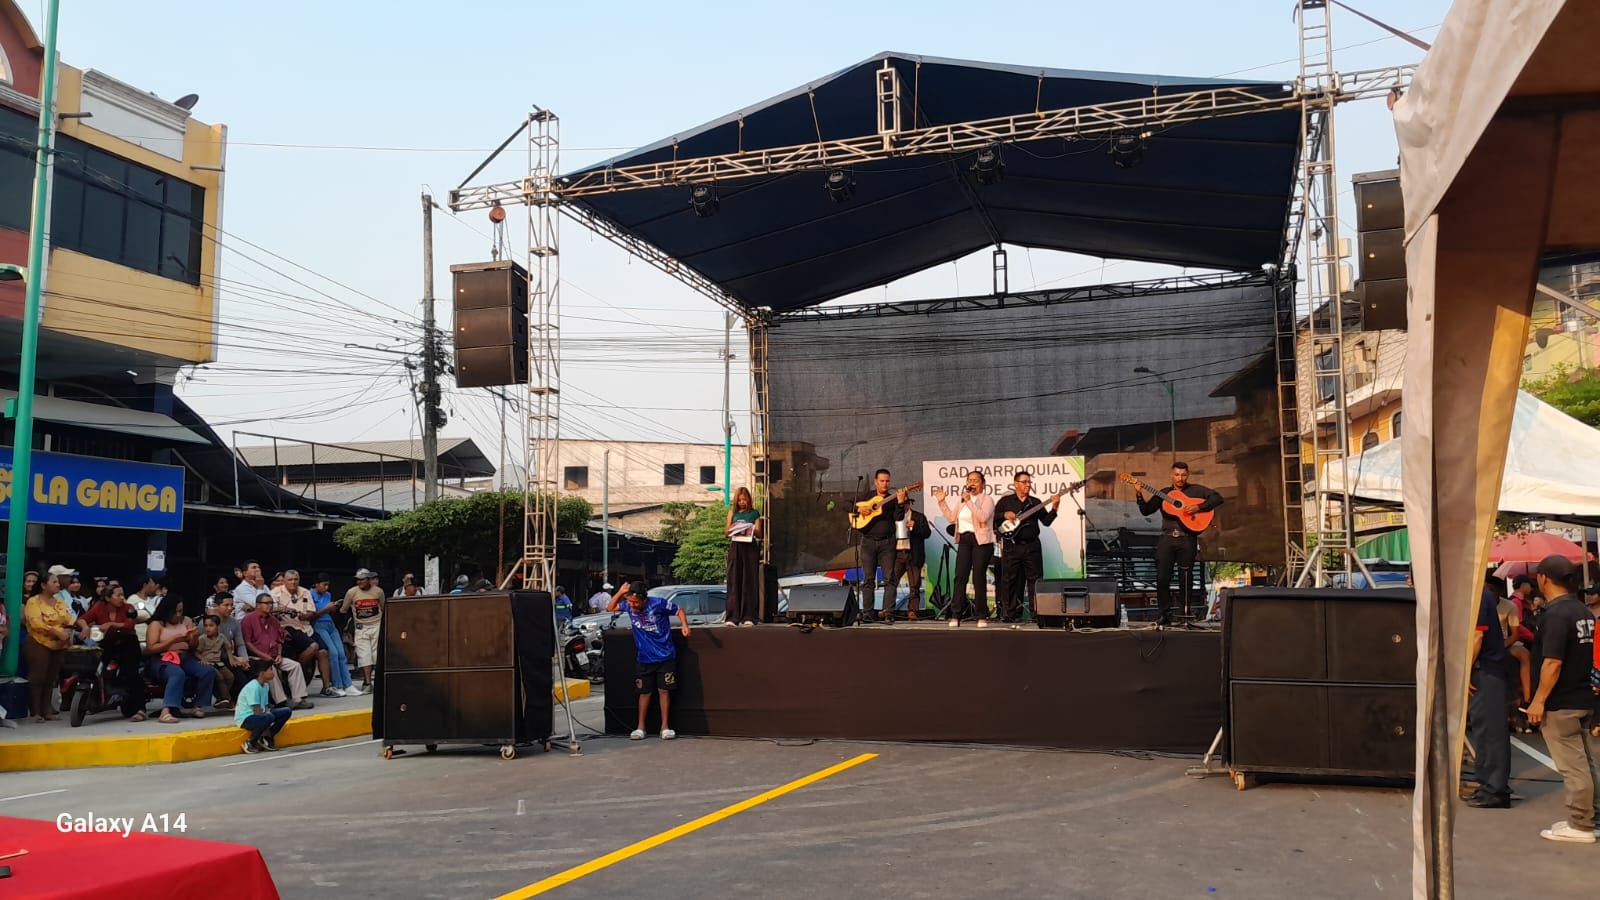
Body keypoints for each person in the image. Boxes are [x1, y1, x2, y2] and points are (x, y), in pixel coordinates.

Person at [1526, 554, 1599, 843]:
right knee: (1586, 763)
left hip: (1561, 701)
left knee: (1573, 766)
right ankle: (1592, 818)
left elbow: (1553, 662)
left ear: (1544, 578)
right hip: (1582, 696)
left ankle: (1580, 824)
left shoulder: (1556, 615)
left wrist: (1538, 700)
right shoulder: (1582, 611)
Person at [1134, 462, 1224, 626]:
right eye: (1177, 475)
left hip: (1187, 538)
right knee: (1162, 577)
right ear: (1172, 475)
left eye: (1183, 475)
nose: (1180, 478)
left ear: (1187, 475)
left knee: (1186, 577)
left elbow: (1218, 498)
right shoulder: (1164, 493)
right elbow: (1146, 511)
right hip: (1167, 539)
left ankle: (1185, 614)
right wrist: (1139, 494)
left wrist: (1199, 507)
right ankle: (1165, 614)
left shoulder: (1196, 491)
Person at [610, 581, 689, 741]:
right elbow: (611, 607)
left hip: (665, 655)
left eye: (635, 602)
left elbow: (679, 610)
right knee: (644, 692)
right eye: (630, 602)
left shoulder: (658, 604)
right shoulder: (628, 606)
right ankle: (641, 727)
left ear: (644, 599)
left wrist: (684, 626)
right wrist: (620, 592)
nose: (632, 605)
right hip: (644, 657)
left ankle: (665, 727)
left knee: (664, 691)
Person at [1465, 574, 1513, 808]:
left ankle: (1496, 789)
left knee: (1492, 733)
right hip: (1483, 670)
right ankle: (1486, 785)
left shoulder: (1476, 595)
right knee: (1482, 730)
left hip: (1486, 670)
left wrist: (1465, 671)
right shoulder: (1475, 594)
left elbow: (1477, 635)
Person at [994, 471, 1061, 627]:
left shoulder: (1035, 502)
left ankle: (1037, 613)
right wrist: (1004, 514)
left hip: (1032, 546)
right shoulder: (1005, 501)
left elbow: (1046, 522)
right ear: (1016, 484)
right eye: (1024, 482)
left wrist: (1055, 507)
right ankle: (1009, 613)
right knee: (1009, 580)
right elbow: (993, 519)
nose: (1028, 485)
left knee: (1035, 580)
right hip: (1012, 546)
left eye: (1029, 482)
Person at [78, 582, 149, 720]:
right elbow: (82, 619)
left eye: (123, 595)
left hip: (128, 643)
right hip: (108, 644)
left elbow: (129, 625)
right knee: (96, 669)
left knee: (131, 674)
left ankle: (141, 708)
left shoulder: (128, 607)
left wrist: (112, 624)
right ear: (108, 598)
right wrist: (85, 627)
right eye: (118, 595)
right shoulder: (99, 606)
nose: (122, 598)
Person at [934, 471, 995, 629]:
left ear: (983, 484)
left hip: (981, 541)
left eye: (975, 480)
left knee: (978, 577)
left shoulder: (987, 499)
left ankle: (981, 615)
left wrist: (969, 502)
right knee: (960, 576)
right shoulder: (962, 500)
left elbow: (982, 517)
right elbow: (951, 518)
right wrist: (942, 502)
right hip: (964, 540)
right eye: (969, 480)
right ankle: (956, 614)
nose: (972, 483)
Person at [144, 594, 216, 724]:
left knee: (208, 671)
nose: (178, 615)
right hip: (162, 658)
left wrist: (193, 637)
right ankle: (166, 710)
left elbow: (193, 647)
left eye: (180, 611)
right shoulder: (157, 624)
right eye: (175, 611)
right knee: (176, 674)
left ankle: (198, 705)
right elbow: (151, 648)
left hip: (184, 656)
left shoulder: (186, 620)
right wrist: (174, 640)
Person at [22, 571, 83, 722]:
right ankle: (35, 712)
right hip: (38, 643)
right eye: (54, 582)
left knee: (51, 677)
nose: (58, 585)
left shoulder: (60, 602)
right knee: (38, 677)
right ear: (43, 585)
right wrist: (57, 632)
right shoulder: (34, 601)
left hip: (58, 645)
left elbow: (69, 619)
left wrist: (68, 632)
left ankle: (47, 710)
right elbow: (36, 623)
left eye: (57, 582)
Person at [852, 469, 908, 624]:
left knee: (889, 578)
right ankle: (868, 613)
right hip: (868, 542)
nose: (885, 484)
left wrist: (901, 502)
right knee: (868, 579)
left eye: (887, 481)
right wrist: (858, 509)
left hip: (887, 543)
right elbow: (846, 504)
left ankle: (888, 613)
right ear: (876, 482)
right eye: (882, 481)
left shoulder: (893, 498)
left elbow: (899, 518)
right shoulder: (867, 496)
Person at [240, 594, 314, 711]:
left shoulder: (274, 621)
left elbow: (279, 640)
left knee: (295, 665)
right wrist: (264, 656)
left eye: (271, 603)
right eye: (266, 603)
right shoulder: (248, 620)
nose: (270, 606)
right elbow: (248, 643)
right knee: (270, 669)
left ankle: (298, 699)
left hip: (274, 656)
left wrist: (279, 654)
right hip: (257, 657)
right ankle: (281, 701)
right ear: (258, 605)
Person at [273, 570, 334, 698]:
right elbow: (271, 611)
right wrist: (283, 610)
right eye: (290, 580)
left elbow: (312, 612)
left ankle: (326, 687)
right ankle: (297, 671)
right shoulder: (275, 593)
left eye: (296, 579)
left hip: (306, 627)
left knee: (323, 652)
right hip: (288, 627)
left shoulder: (305, 592)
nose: (293, 582)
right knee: (313, 646)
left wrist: (304, 616)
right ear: (284, 581)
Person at [309, 574, 357, 697]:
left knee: (341, 654)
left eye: (328, 585)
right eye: (324, 584)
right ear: (316, 584)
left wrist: (334, 607)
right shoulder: (309, 595)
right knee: (333, 653)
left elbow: (330, 611)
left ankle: (348, 684)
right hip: (319, 624)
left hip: (330, 624)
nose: (326, 587)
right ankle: (337, 684)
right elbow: (311, 615)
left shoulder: (328, 595)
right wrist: (327, 608)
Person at [724, 486, 763, 626]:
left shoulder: (754, 513)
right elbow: (726, 533)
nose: (742, 502)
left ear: (748, 500)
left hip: (749, 548)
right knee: (734, 580)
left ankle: (749, 616)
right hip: (736, 547)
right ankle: (732, 617)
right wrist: (734, 526)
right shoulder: (732, 513)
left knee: (749, 580)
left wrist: (750, 527)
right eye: (739, 500)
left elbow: (759, 533)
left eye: (744, 500)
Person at [341, 569, 385, 693]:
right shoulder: (351, 592)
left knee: (376, 655)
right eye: (358, 580)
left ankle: (377, 681)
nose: (359, 582)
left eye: (362, 579)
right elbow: (344, 609)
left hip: (376, 625)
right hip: (361, 627)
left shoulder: (378, 591)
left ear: (369, 580)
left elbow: (384, 608)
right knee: (364, 656)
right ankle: (367, 682)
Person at [236, 660, 292, 754]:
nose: (272, 672)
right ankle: (250, 742)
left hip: (260, 715)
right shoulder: (254, 687)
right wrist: (266, 727)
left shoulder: (265, 686)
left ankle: (267, 738)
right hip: (246, 718)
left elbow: (265, 707)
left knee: (286, 711)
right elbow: (256, 710)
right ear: (262, 673)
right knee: (269, 717)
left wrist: (267, 715)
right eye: (270, 670)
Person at [891, 500, 931, 621]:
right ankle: (888, 609)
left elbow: (927, 533)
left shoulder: (918, 517)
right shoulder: (893, 517)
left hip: (913, 554)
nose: (902, 506)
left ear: (909, 504)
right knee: (892, 582)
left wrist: (915, 526)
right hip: (898, 554)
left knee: (914, 584)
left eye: (904, 504)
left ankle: (912, 610)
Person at [195, 615, 235, 710]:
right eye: (206, 626)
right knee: (219, 677)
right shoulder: (202, 639)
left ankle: (221, 698)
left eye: (211, 625)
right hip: (208, 663)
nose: (208, 628)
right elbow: (196, 652)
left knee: (230, 677)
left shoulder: (221, 637)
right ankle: (227, 699)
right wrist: (202, 659)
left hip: (218, 662)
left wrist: (231, 659)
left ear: (217, 626)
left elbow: (228, 648)